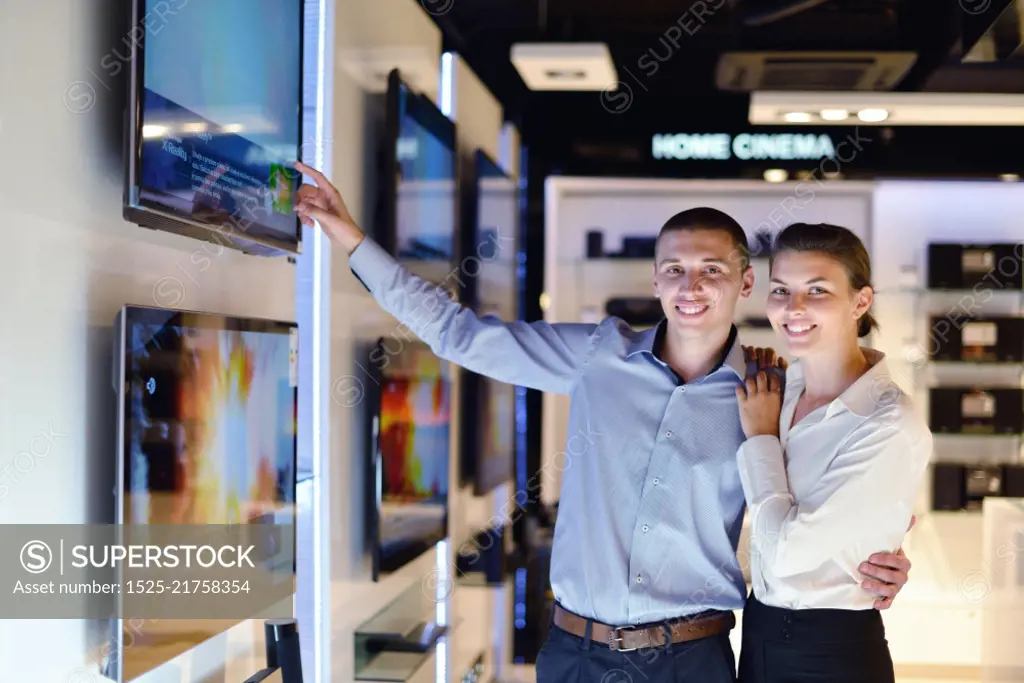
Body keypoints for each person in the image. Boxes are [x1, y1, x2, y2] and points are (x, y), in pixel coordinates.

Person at [291, 162, 913, 683]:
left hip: (692, 660)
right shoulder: (596, 355)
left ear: (746, 281)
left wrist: (888, 551)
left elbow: (843, 480)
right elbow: (461, 335)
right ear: (655, 278)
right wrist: (352, 239)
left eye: (712, 271)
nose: (690, 286)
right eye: (674, 269)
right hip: (574, 655)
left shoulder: (768, 389)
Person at [734, 223, 932, 683]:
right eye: (781, 289)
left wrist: (762, 438)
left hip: (833, 652)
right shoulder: (777, 386)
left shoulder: (888, 423)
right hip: (758, 634)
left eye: (817, 290)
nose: (793, 307)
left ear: (860, 302)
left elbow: (783, 556)